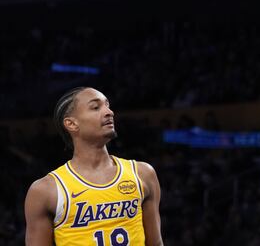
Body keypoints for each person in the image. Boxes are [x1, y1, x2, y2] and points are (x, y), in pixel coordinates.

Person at [24, 87, 163, 246]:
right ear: (71, 124)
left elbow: (156, 243)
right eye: (96, 107)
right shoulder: (45, 190)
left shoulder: (143, 174)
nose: (109, 112)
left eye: (107, 105)